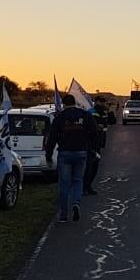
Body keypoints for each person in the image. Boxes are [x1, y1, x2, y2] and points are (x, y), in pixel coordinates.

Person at [44, 93, 98, 223]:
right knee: (78, 181)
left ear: (63, 104)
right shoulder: (86, 115)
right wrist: (92, 149)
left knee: (64, 183)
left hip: (65, 153)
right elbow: (94, 133)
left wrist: (49, 155)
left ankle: (63, 214)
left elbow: (52, 137)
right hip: (81, 153)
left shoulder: (60, 117)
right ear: (75, 102)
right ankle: (76, 204)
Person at [83, 110, 105, 196]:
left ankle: (88, 187)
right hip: (90, 147)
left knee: (94, 168)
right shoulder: (90, 115)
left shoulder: (101, 113)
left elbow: (110, 122)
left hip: (96, 145)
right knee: (88, 169)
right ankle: (84, 188)